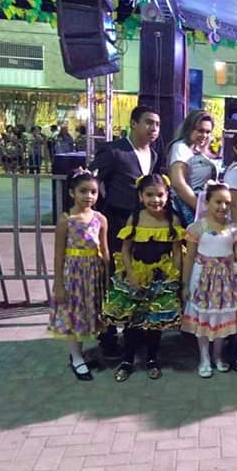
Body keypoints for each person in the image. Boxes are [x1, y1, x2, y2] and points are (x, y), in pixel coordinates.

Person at [90, 105, 161, 358]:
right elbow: (92, 182)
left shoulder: (154, 155)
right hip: (115, 226)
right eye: (149, 122)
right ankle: (107, 335)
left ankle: (134, 332)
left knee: (136, 280)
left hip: (141, 228)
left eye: (157, 124)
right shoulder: (114, 151)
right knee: (112, 280)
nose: (154, 128)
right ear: (133, 123)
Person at [103, 174, 184, 382]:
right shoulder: (135, 218)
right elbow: (125, 249)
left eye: (160, 195)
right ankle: (127, 360)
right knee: (132, 320)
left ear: (167, 195)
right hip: (136, 274)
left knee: (155, 322)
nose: (155, 200)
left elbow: (177, 252)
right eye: (149, 195)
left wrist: (174, 277)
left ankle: (152, 359)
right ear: (140, 196)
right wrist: (130, 273)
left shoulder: (173, 220)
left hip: (161, 276)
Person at [181, 181, 237, 378]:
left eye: (227, 203)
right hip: (203, 281)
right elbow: (189, 257)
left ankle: (218, 355)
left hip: (228, 281)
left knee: (222, 318)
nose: (223, 207)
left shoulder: (235, 229)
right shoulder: (197, 228)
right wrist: (185, 284)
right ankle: (204, 357)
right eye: (218, 202)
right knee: (204, 319)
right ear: (207, 203)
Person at [48, 168, 109, 381]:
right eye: (83, 191)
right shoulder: (66, 220)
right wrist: (59, 284)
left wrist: (107, 277)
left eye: (93, 192)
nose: (88, 196)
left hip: (94, 274)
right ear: (72, 192)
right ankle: (76, 356)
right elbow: (58, 255)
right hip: (73, 275)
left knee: (90, 313)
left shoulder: (100, 219)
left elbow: (104, 249)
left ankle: (87, 351)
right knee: (74, 314)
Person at [167, 110, 219, 225]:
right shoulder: (181, 147)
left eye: (208, 132)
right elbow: (178, 184)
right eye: (200, 130)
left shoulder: (197, 149)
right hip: (185, 209)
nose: (204, 135)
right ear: (189, 129)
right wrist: (201, 209)